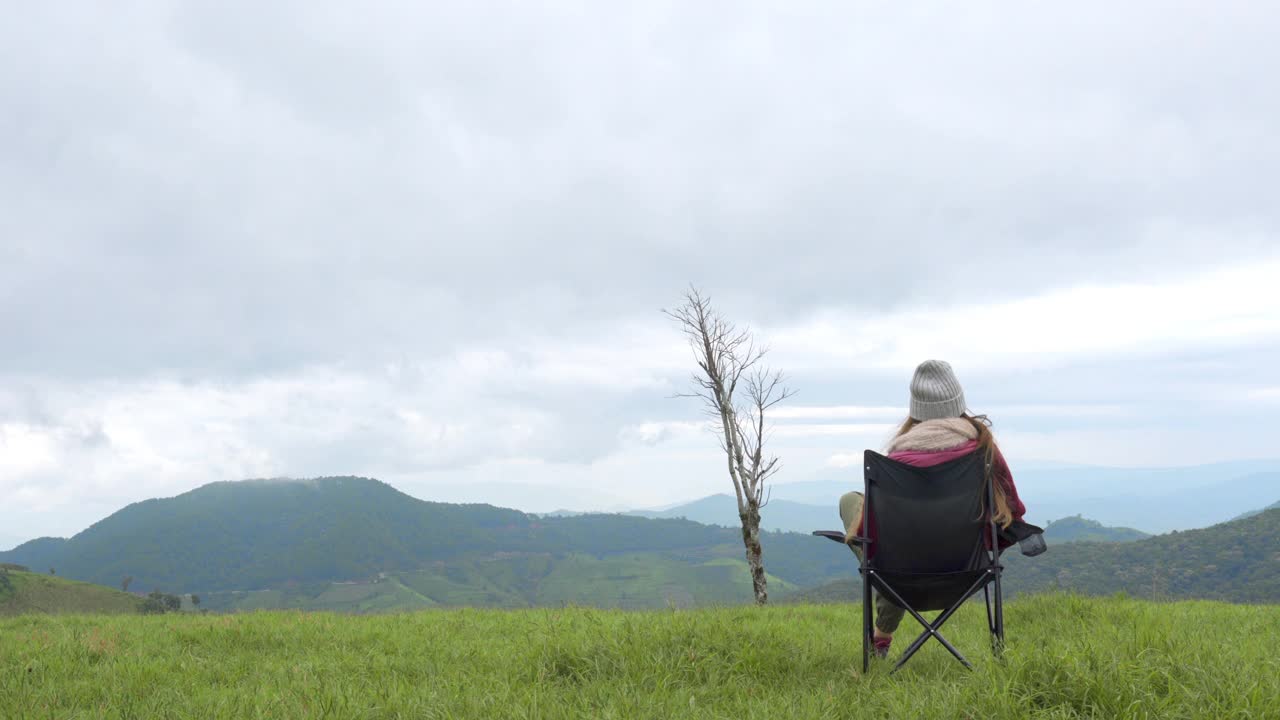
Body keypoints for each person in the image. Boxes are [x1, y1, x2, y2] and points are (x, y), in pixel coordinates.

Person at [838, 359, 1027, 658]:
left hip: (897, 575)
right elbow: (1013, 513)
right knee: (887, 543)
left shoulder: (896, 461)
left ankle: (881, 622)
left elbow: (866, 531)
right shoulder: (983, 451)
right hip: (967, 572)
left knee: (851, 502)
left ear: (916, 409)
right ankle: (883, 612)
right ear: (959, 402)